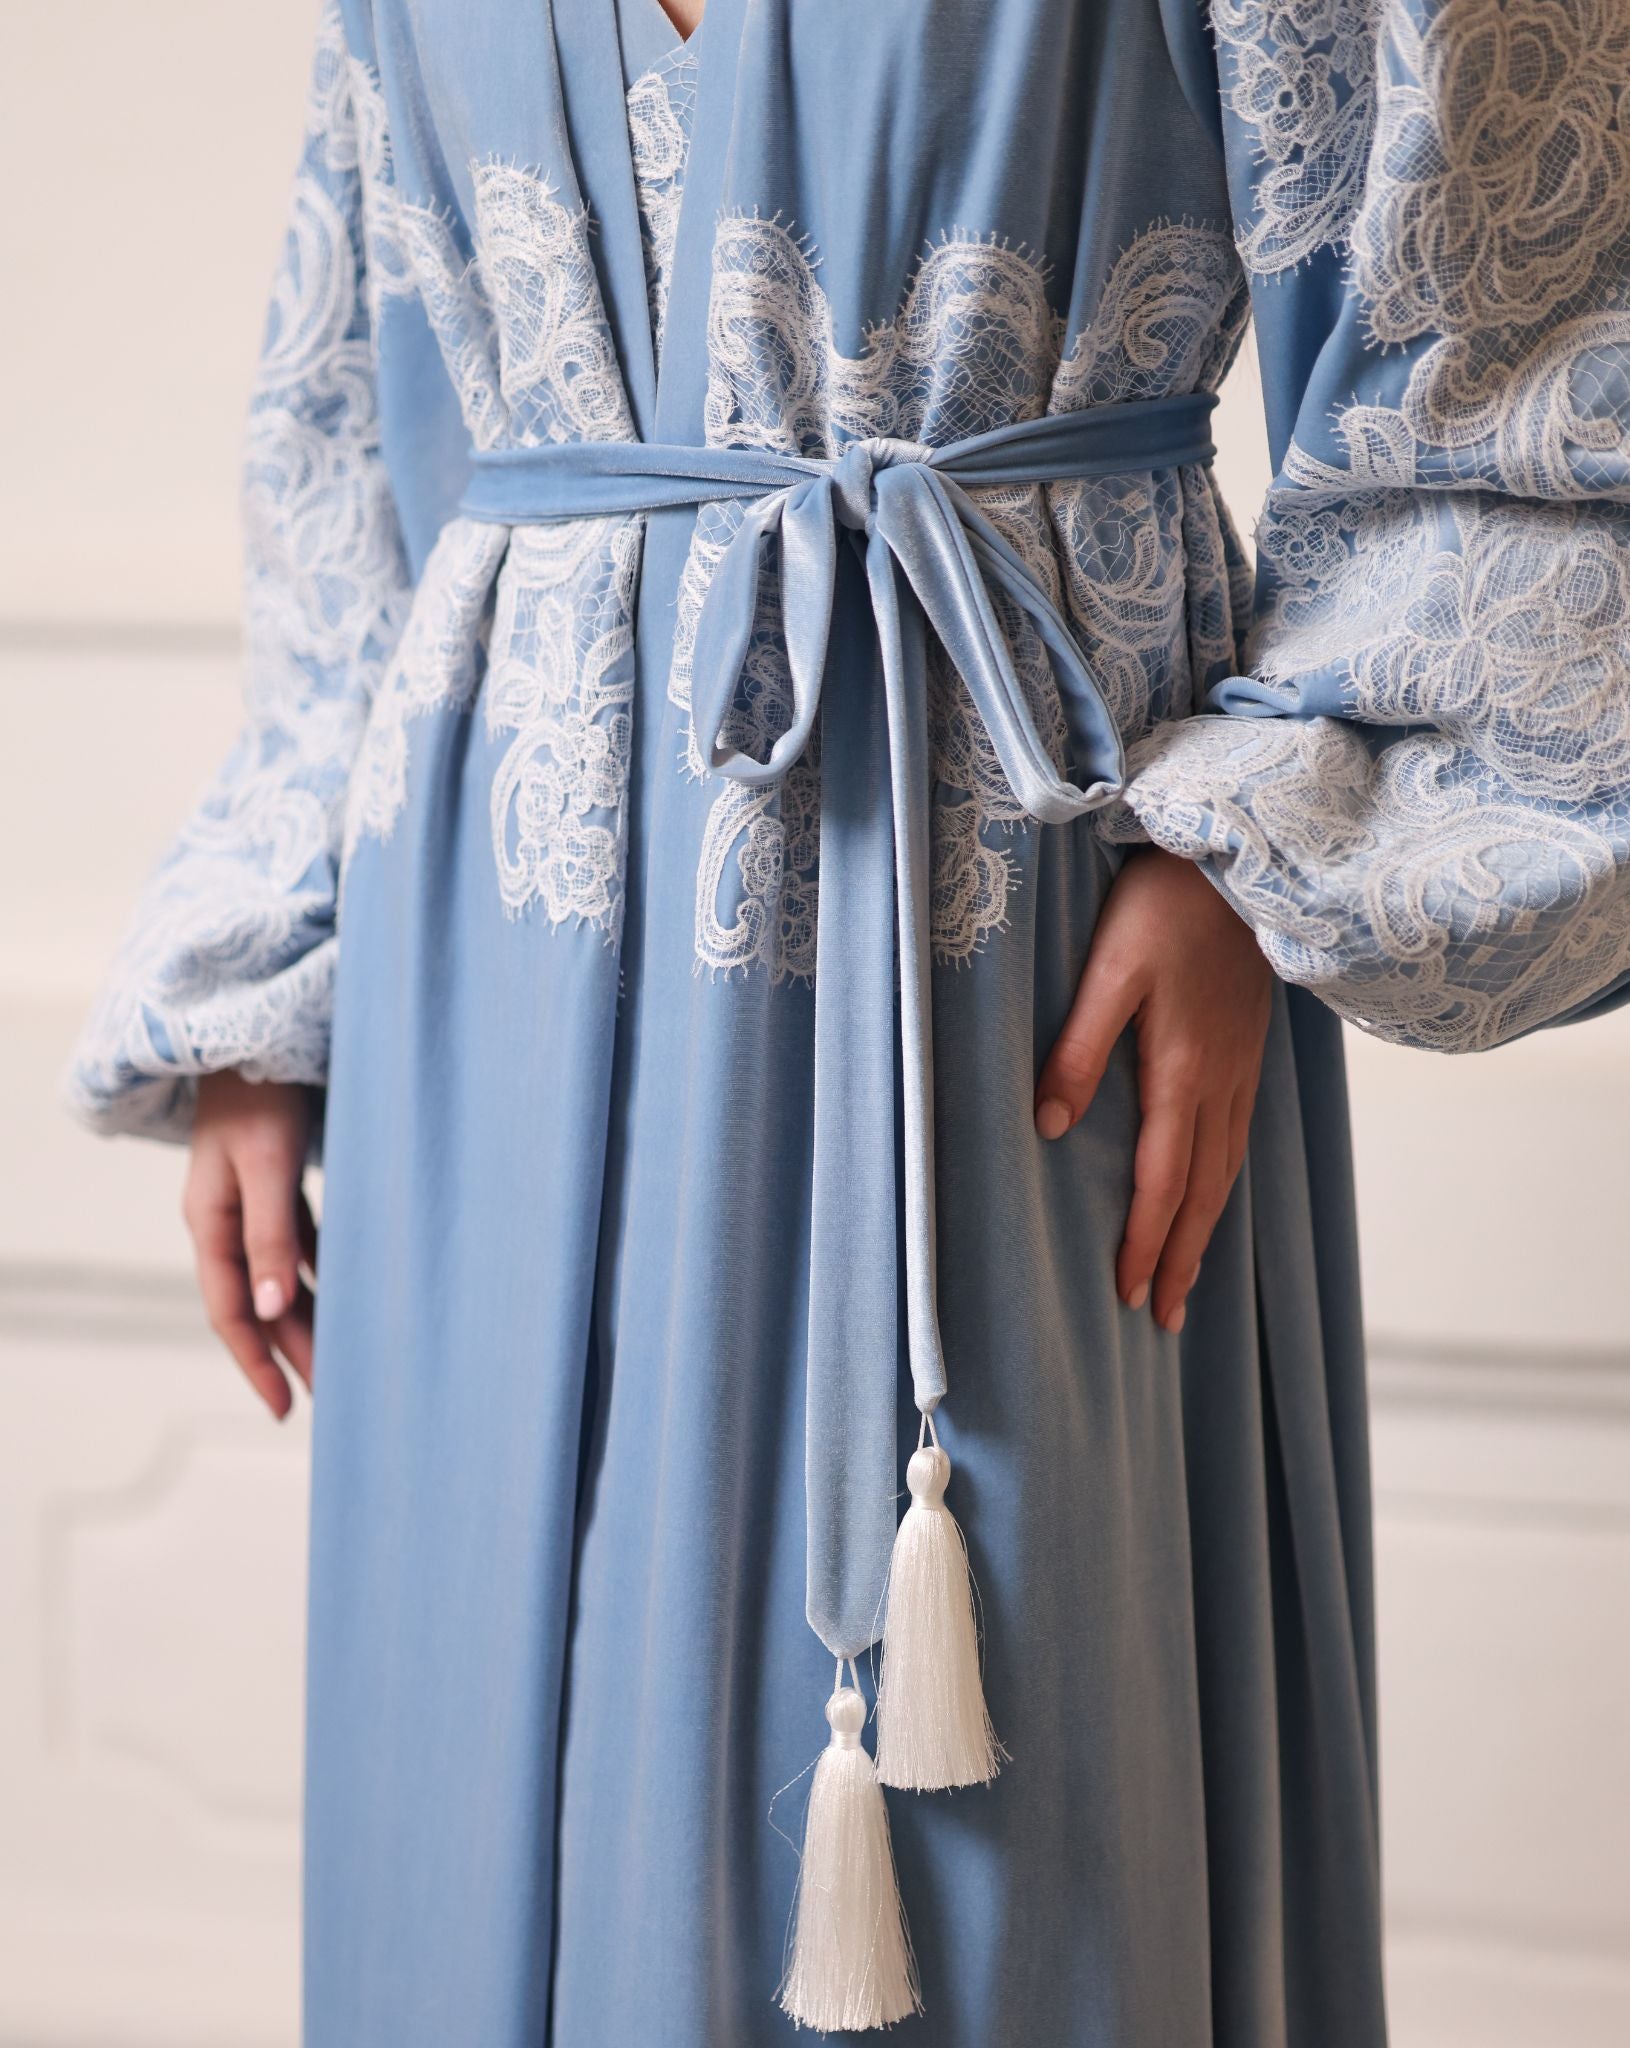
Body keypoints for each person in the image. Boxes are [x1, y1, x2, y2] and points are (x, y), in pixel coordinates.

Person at [67, 0, 1630, 2040]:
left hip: (1018, 952)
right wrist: (272, 986)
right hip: (485, 973)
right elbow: (359, 415)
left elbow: (1514, 344)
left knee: (1004, 1850)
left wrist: (1255, 852)